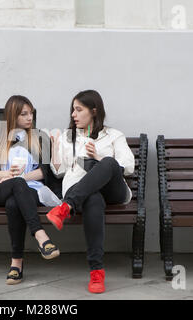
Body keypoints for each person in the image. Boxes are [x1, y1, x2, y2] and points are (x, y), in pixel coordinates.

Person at [46, 90, 135, 294]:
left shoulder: (113, 135)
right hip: (82, 189)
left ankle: (66, 206)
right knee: (92, 199)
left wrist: (99, 157)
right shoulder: (68, 137)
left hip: (112, 190)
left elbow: (128, 166)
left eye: (78, 110)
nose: (73, 115)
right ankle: (96, 272)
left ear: (94, 111)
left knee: (109, 162)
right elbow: (59, 171)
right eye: (72, 110)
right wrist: (54, 146)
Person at [0, 95, 63, 285]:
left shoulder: (39, 137)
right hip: (0, 190)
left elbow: (42, 173)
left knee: (14, 203)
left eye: (31, 113)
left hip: (30, 190)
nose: (30, 118)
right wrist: (7, 175)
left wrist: (20, 177)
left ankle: (16, 265)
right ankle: (41, 236)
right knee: (15, 186)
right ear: (13, 115)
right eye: (24, 114)